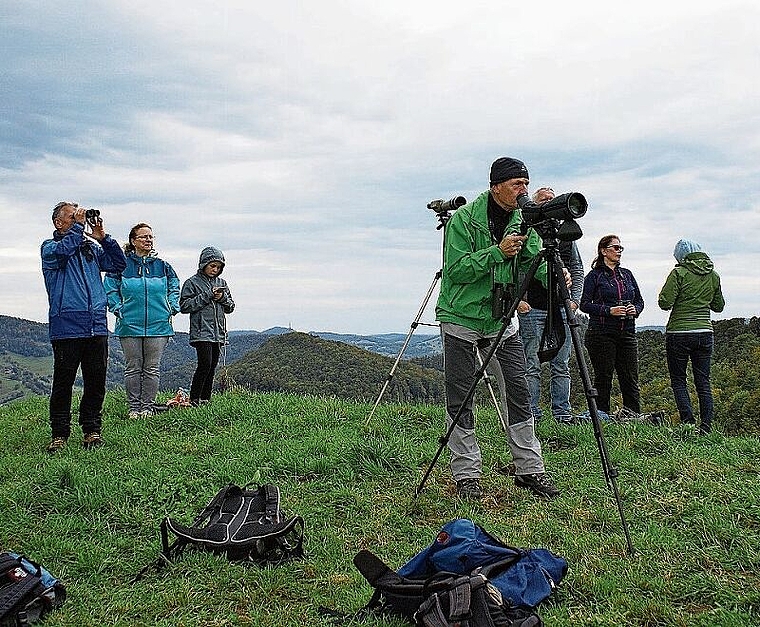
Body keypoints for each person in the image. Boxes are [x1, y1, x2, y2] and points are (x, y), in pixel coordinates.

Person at [435, 157, 563, 500]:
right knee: (461, 397)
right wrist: (497, 252)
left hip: (501, 318)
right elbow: (455, 270)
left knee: (519, 392)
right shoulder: (463, 220)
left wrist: (554, 275)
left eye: (526, 183)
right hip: (461, 316)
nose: (524, 190)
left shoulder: (524, 220)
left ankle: (529, 469)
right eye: (516, 185)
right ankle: (466, 474)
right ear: (496, 187)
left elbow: (533, 261)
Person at [41, 201, 127, 453]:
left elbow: (118, 265)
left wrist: (104, 238)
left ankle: (91, 430)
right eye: (72, 216)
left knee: (95, 381)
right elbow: (64, 251)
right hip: (67, 325)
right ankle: (59, 434)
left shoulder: (89, 247)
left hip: (96, 324)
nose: (78, 218)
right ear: (59, 222)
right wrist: (79, 227)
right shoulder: (50, 247)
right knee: (63, 382)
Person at [517, 187, 584, 424]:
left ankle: (562, 413)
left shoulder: (563, 235)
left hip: (562, 307)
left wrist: (574, 299)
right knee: (531, 363)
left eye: (551, 200)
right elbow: (516, 266)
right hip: (533, 306)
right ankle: (532, 413)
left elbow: (576, 268)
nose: (548, 203)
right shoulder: (527, 231)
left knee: (561, 364)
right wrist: (519, 300)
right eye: (543, 200)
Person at [104, 223, 181, 418]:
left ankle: (147, 407)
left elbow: (174, 286)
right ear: (133, 241)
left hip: (159, 325)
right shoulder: (120, 265)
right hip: (129, 325)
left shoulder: (163, 266)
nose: (148, 240)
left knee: (152, 368)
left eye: (151, 237)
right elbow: (110, 287)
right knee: (133, 368)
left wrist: (172, 307)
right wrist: (118, 309)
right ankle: (134, 408)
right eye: (143, 237)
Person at [658, 239, 725, 434]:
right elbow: (718, 306)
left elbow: (665, 302)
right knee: (703, 381)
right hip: (705, 332)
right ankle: (706, 427)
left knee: (679, 379)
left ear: (680, 257)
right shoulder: (713, 275)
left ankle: (687, 422)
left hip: (679, 333)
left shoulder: (678, 273)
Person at [580, 234, 644, 416]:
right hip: (601, 333)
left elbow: (640, 300)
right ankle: (601, 416)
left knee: (630, 377)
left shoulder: (627, 275)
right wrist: (609, 310)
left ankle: (633, 416)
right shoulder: (594, 276)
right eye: (615, 248)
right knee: (604, 377)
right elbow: (584, 304)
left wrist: (635, 309)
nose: (619, 251)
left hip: (627, 332)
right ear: (603, 251)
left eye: (620, 248)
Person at [179, 247, 235, 406]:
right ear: (203, 264)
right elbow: (184, 306)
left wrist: (222, 297)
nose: (215, 269)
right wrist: (208, 295)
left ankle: (205, 399)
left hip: (218, 333)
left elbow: (230, 307)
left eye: (218, 267)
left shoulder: (222, 283)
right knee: (204, 364)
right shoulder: (192, 283)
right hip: (201, 331)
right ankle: (194, 398)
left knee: (212, 366)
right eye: (212, 266)